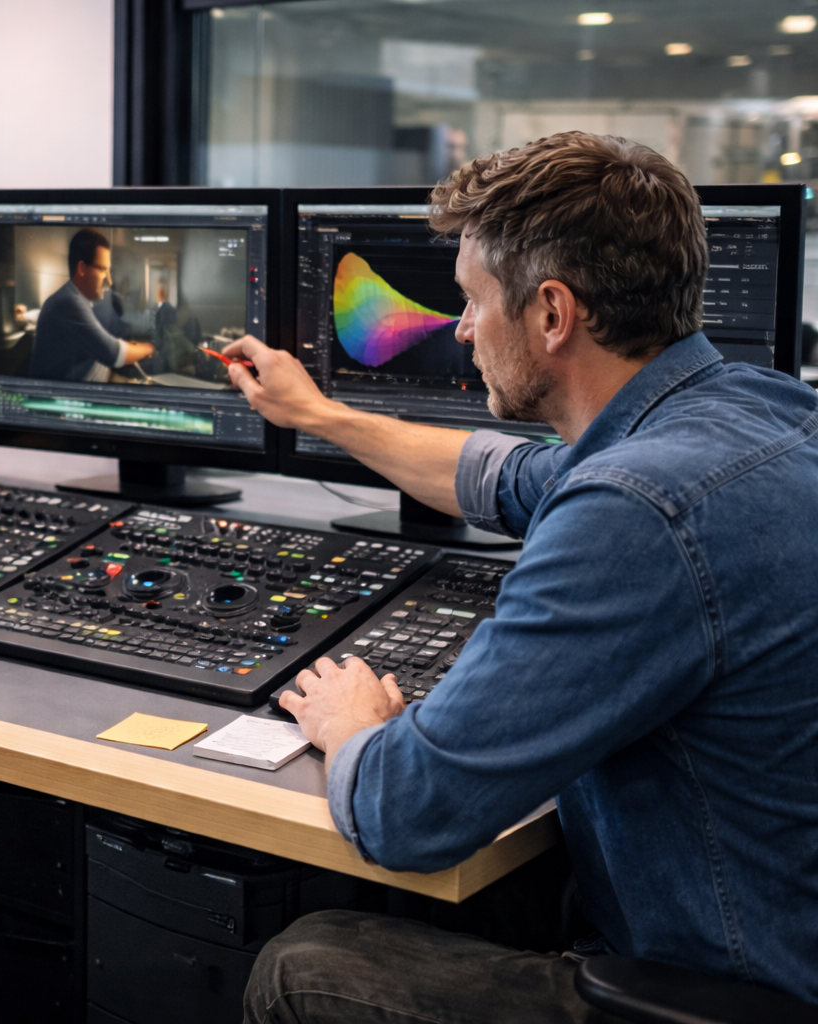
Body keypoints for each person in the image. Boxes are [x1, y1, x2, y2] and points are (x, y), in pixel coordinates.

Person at [222, 132, 818, 1020]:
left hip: (728, 982)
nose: (462, 328)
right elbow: (499, 476)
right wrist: (320, 414)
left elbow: (404, 813)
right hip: (771, 914)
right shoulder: (758, 409)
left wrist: (351, 725)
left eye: (472, 300)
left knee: (302, 969)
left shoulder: (633, 511)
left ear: (551, 314)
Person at [28, 227, 154, 381]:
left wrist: (130, 347)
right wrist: (147, 349)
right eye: (103, 270)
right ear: (82, 268)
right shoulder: (70, 302)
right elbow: (113, 354)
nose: (109, 280)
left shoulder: (78, 299)